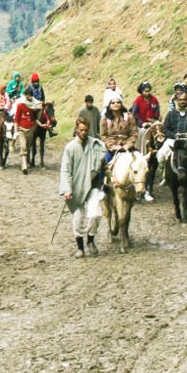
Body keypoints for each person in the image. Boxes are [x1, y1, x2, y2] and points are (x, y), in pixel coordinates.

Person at [59, 116, 108, 257]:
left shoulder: (96, 145)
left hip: (92, 185)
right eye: (81, 130)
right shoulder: (70, 148)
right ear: (76, 130)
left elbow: (103, 162)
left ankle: (91, 240)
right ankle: (80, 247)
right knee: (78, 218)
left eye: (86, 130)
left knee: (96, 214)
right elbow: (66, 170)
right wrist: (67, 189)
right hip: (76, 187)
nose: (84, 133)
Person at [155, 88, 187, 179]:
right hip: (173, 140)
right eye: (180, 100)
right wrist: (174, 135)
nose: (182, 102)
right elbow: (165, 129)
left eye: (184, 100)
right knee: (160, 155)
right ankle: (165, 176)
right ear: (177, 100)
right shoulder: (171, 113)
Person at [100, 96, 137, 172]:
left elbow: (134, 133)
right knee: (101, 165)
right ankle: (101, 183)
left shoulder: (129, 116)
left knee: (141, 162)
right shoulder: (105, 118)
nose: (116, 104)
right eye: (113, 103)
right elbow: (103, 136)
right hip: (112, 147)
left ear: (121, 104)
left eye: (118, 102)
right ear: (109, 105)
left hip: (127, 145)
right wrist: (113, 146)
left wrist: (128, 145)